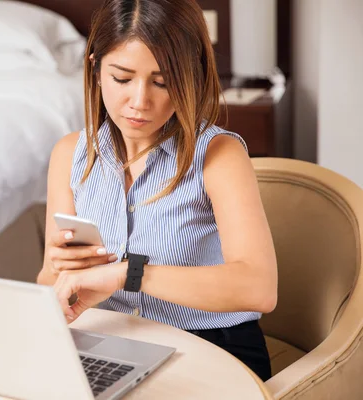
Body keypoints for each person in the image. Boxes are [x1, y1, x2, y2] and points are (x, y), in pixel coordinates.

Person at [36, 0, 278, 381]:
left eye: (162, 81)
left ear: (189, 78)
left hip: (214, 345)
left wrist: (126, 274)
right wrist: (58, 271)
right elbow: (50, 285)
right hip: (111, 342)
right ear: (96, 68)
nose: (139, 102)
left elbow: (258, 288)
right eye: (121, 78)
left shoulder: (218, 155)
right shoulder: (70, 155)